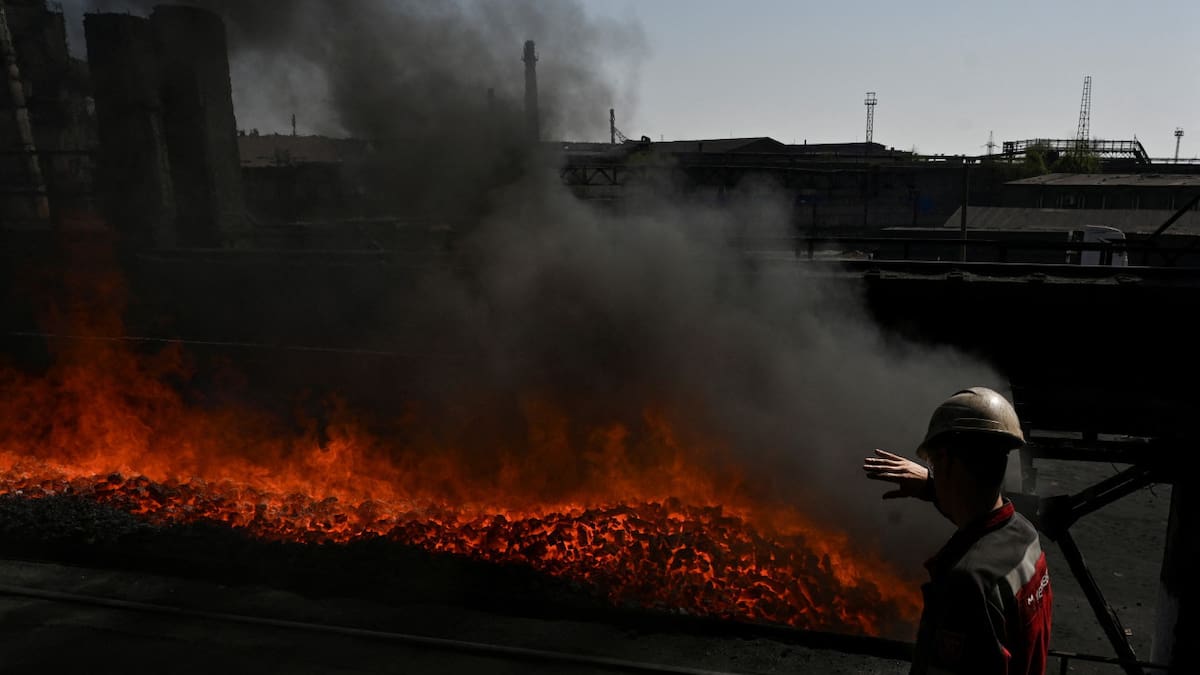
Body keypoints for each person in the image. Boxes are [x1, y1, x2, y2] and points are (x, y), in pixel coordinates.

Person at [863, 387, 1052, 675]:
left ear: (949, 463)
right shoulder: (1024, 535)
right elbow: (980, 524)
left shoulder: (966, 583)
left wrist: (934, 485)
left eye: (934, 463)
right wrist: (931, 485)